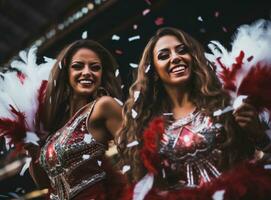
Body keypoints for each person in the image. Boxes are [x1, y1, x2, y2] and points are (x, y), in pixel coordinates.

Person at [118, 27, 271, 199]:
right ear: (153, 72)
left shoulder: (227, 101)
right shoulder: (145, 126)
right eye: (164, 55)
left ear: (193, 57)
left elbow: (264, 159)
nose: (175, 58)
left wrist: (259, 134)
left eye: (182, 50)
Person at [27, 39, 125, 200]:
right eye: (78, 66)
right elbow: (44, 184)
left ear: (101, 75)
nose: (87, 72)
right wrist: (32, 149)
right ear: (65, 73)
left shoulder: (103, 106)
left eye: (95, 67)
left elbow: (137, 155)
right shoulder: (55, 128)